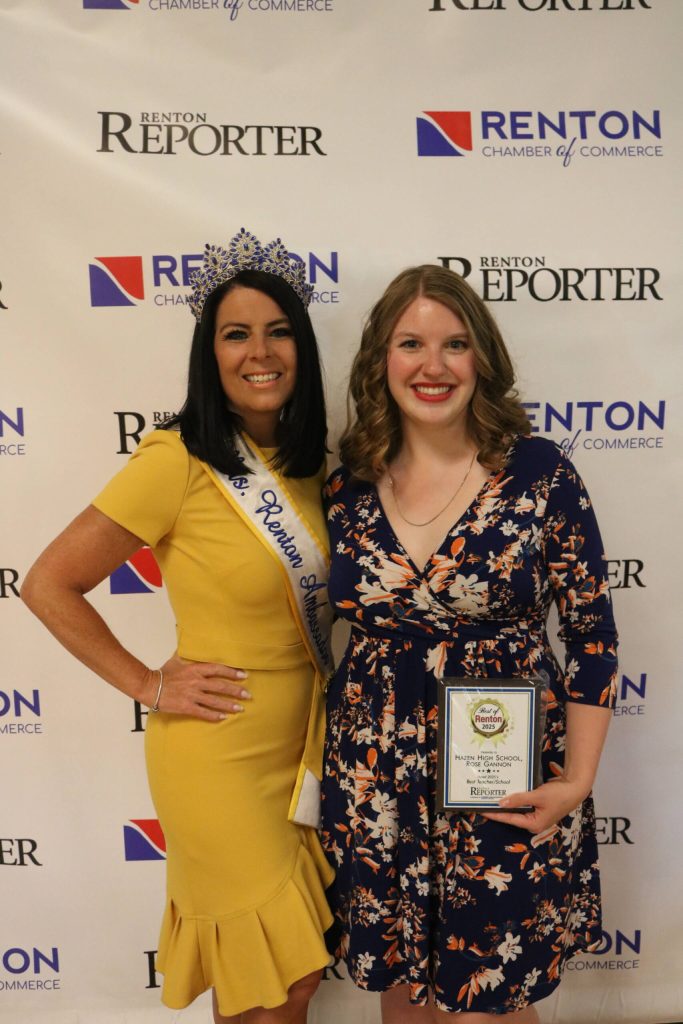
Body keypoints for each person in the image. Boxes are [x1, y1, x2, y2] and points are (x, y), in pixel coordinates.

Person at [21, 228, 335, 1024]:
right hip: (219, 750)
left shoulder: (313, 466)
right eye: (236, 334)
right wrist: (148, 683)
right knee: (266, 977)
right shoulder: (176, 458)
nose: (259, 351)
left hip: (307, 745)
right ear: (211, 354)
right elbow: (50, 582)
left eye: (278, 330)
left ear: (301, 346)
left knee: (296, 970)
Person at [321, 264, 617, 1022]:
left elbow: (589, 635)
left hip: (502, 767)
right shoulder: (348, 484)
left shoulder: (538, 473)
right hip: (378, 774)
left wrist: (576, 779)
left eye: (454, 344)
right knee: (404, 986)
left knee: (493, 991)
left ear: (480, 356)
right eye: (410, 343)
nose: (432, 365)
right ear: (378, 360)